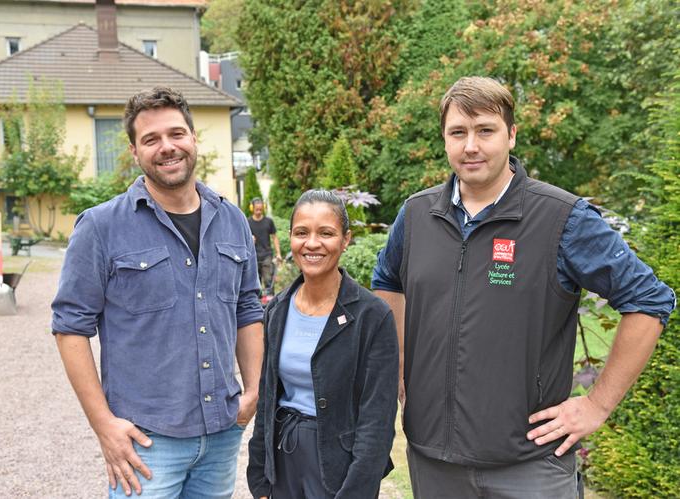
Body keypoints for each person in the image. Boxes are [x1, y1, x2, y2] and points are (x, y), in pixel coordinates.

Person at [372, 76, 676, 498]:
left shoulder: (561, 217)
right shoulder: (417, 215)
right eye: (458, 132)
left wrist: (597, 405)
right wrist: (401, 363)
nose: (471, 146)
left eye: (485, 131)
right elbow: (387, 281)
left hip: (529, 465)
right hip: (434, 461)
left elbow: (649, 300)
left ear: (511, 135)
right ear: (444, 139)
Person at [51, 86, 264, 499]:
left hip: (221, 434)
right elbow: (69, 328)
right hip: (146, 442)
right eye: (151, 139)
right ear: (135, 151)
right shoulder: (101, 227)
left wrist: (253, 391)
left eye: (176, 134)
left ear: (194, 138)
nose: (167, 147)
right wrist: (103, 426)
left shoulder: (233, 220)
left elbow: (247, 307)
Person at [247, 190, 398, 499]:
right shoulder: (277, 310)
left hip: (338, 466)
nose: (312, 243)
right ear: (290, 237)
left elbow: (378, 420)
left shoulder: (372, 315)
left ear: (345, 240)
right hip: (284, 459)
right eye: (302, 232)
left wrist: (356, 491)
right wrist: (260, 478)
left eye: (326, 233)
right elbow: (267, 399)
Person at [247, 197, 282, 296]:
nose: (258, 211)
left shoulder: (268, 221)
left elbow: (274, 238)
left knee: (268, 280)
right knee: (254, 283)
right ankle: (257, 305)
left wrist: (278, 253)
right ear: (252, 208)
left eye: (260, 209)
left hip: (267, 255)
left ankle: (271, 304)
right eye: (256, 209)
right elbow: (242, 240)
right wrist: (249, 240)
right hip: (253, 256)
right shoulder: (247, 222)